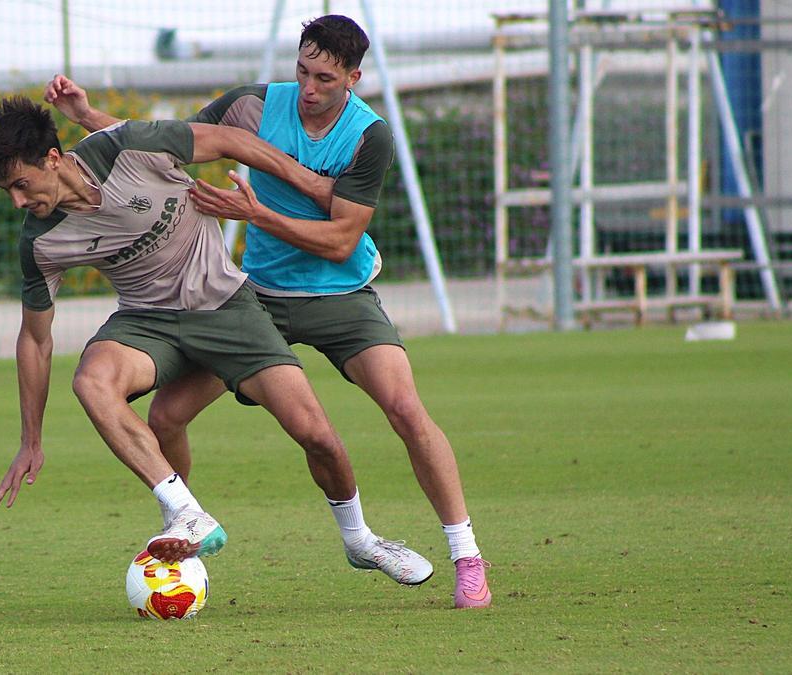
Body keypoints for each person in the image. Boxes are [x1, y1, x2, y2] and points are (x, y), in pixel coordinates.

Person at [44, 14, 492, 608]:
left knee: (406, 409)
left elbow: (339, 241)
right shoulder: (251, 105)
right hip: (256, 298)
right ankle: (185, 526)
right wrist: (87, 117)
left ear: (354, 78)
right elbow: (159, 144)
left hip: (342, 296)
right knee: (167, 417)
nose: (309, 88)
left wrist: (257, 216)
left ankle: (466, 556)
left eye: (326, 78)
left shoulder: (368, 136)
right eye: (303, 72)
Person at [0, 95, 431, 585]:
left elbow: (230, 139)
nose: (18, 202)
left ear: (52, 158)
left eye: (21, 185)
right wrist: (31, 439)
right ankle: (186, 514)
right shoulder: (41, 241)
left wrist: (310, 187)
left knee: (316, 435)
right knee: (92, 380)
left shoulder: (128, 147)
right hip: (146, 322)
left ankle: (360, 540)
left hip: (225, 307)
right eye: (8, 192)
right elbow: (35, 341)